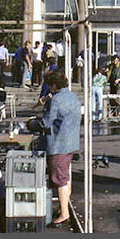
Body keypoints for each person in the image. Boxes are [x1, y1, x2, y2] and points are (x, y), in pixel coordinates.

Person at [30, 72, 81, 228]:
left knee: (59, 179)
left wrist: (31, 123)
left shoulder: (56, 101)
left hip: (58, 144)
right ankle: (64, 205)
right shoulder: (73, 96)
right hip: (71, 142)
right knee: (66, 176)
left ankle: (64, 213)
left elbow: (46, 123)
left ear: (53, 85)